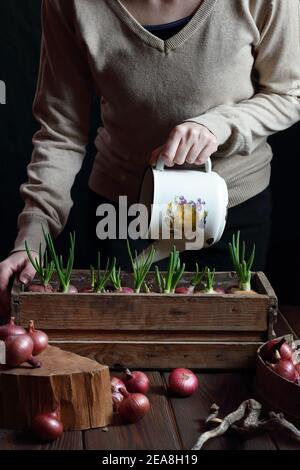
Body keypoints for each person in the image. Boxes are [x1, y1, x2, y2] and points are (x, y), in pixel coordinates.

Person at [0, 0, 300, 314]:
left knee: (221, 346)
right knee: (123, 349)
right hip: (123, 215)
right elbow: (60, 134)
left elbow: (289, 92)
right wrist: (32, 238)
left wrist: (219, 126)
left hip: (229, 211)